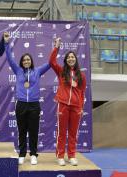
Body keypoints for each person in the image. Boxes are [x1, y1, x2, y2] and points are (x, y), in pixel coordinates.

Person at [4, 34, 51, 165]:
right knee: (22, 130)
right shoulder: (18, 70)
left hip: (34, 105)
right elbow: (9, 58)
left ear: (31, 61)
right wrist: (6, 43)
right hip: (21, 104)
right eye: (24, 60)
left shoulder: (38, 71)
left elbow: (51, 63)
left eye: (28, 60)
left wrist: (56, 49)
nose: (26, 62)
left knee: (34, 130)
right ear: (22, 62)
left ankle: (34, 154)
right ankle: (22, 153)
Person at [49, 38, 86, 166]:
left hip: (76, 107)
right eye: (69, 57)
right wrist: (56, 47)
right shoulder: (61, 72)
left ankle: (71, 155)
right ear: (66, 60)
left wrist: (81, 107)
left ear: (75, 59)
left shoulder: (81, 75)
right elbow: (51, 61)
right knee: (61, 132)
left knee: (73, 133)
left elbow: (82, 93)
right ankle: (60, 156)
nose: (71, 59)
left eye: (73, 57)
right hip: (63, 105)